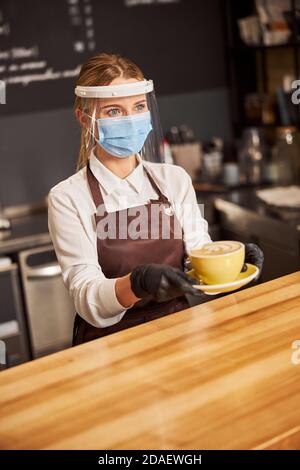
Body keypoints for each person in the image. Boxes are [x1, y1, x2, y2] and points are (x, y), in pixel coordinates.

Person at [47, 53, 264, 345]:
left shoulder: (174, 180)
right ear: (85, 119)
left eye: (138, 107)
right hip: (110, 345)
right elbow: (87, 298)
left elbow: (199, 257)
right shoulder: (67, 198)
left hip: (182, 333)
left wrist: (233, 264)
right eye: (113, 111)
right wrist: (136, 284)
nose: (130, 120)